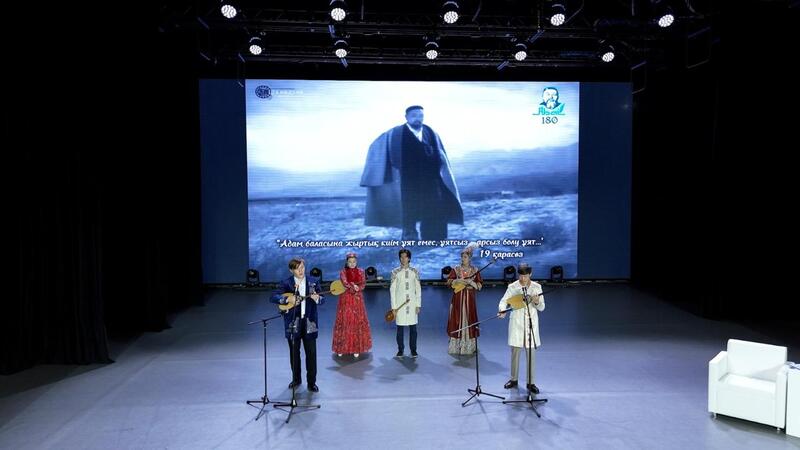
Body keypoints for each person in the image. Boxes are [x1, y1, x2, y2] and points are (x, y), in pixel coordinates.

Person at [360, 105, 463, 241]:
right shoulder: (395, 134)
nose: (418, 119)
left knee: (435, 206)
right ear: (406, 117)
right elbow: (376, 146)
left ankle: (433, 237)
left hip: (431, 178)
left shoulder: (430, 132)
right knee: (409, 208)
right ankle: (410, 235)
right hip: (408, 179)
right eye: (414, 116)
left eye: (420, 116)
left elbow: (440, 152)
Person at [270, 258, 324, 392]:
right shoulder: (286, 283)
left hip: (310, 322)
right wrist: (287, 298)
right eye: (297, 268)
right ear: (291, 270)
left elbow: (323, 299)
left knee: (311, 353)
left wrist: (318, 298)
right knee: (294, 353)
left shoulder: (313, 281)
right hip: (293, 323)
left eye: (302, 267)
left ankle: (311, 382)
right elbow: (273, 297)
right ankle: (296, 379)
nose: (301, 271)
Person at [497, 262, 545, 393]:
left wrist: (537, 302)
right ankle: (514, 379)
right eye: (521, 276)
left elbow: (542, 307)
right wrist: (502, 310)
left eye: (526, 276)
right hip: (517, 324)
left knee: (531, 355)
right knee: (515, 353)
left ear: (530, 274)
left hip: (530, 324)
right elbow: (504, 301)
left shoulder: (537, 287)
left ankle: (531, 382)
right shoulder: (513, 287)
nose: (523, 279)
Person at [331, 252, 373, 358]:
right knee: (345, 321)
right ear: (347, 262)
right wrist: (352, 286)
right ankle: (341, 348)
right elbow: (344, 282)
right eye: (350, 262)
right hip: (346, 298)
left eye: (354, 261)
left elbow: (363, 284)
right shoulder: (343, 272)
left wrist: (358, 288)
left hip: (357, 299)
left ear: (356, 262)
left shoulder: (361, 271)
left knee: (356, 321)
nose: (352, 263)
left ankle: (356, 348)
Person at [446, 246, 482, 355]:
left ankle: (469, 346)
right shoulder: (456, 269)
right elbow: (449, 282)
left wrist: (472, 283)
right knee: (457, 319)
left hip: (469, 300)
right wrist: (457, 281)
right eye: (462, 257)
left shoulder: (475, 270)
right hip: (458, 299)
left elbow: (479, 286)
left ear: (470, 258)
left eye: (465, 257)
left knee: (470, 319)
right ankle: (456, 347)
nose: (463, 259)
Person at [389, 248, 422, 358]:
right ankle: (400, 350)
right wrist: (394, 307)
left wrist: (418, 305)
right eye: (401, 257)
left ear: (409, 258)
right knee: (400, 329)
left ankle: (413, 350)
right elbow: (392, 290)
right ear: (399, 258)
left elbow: (418, 289)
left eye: (405, 257)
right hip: (400, 305)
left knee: (413, 329)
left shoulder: (415, 271)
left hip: (412, 304)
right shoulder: (395, 272)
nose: (403, 259)